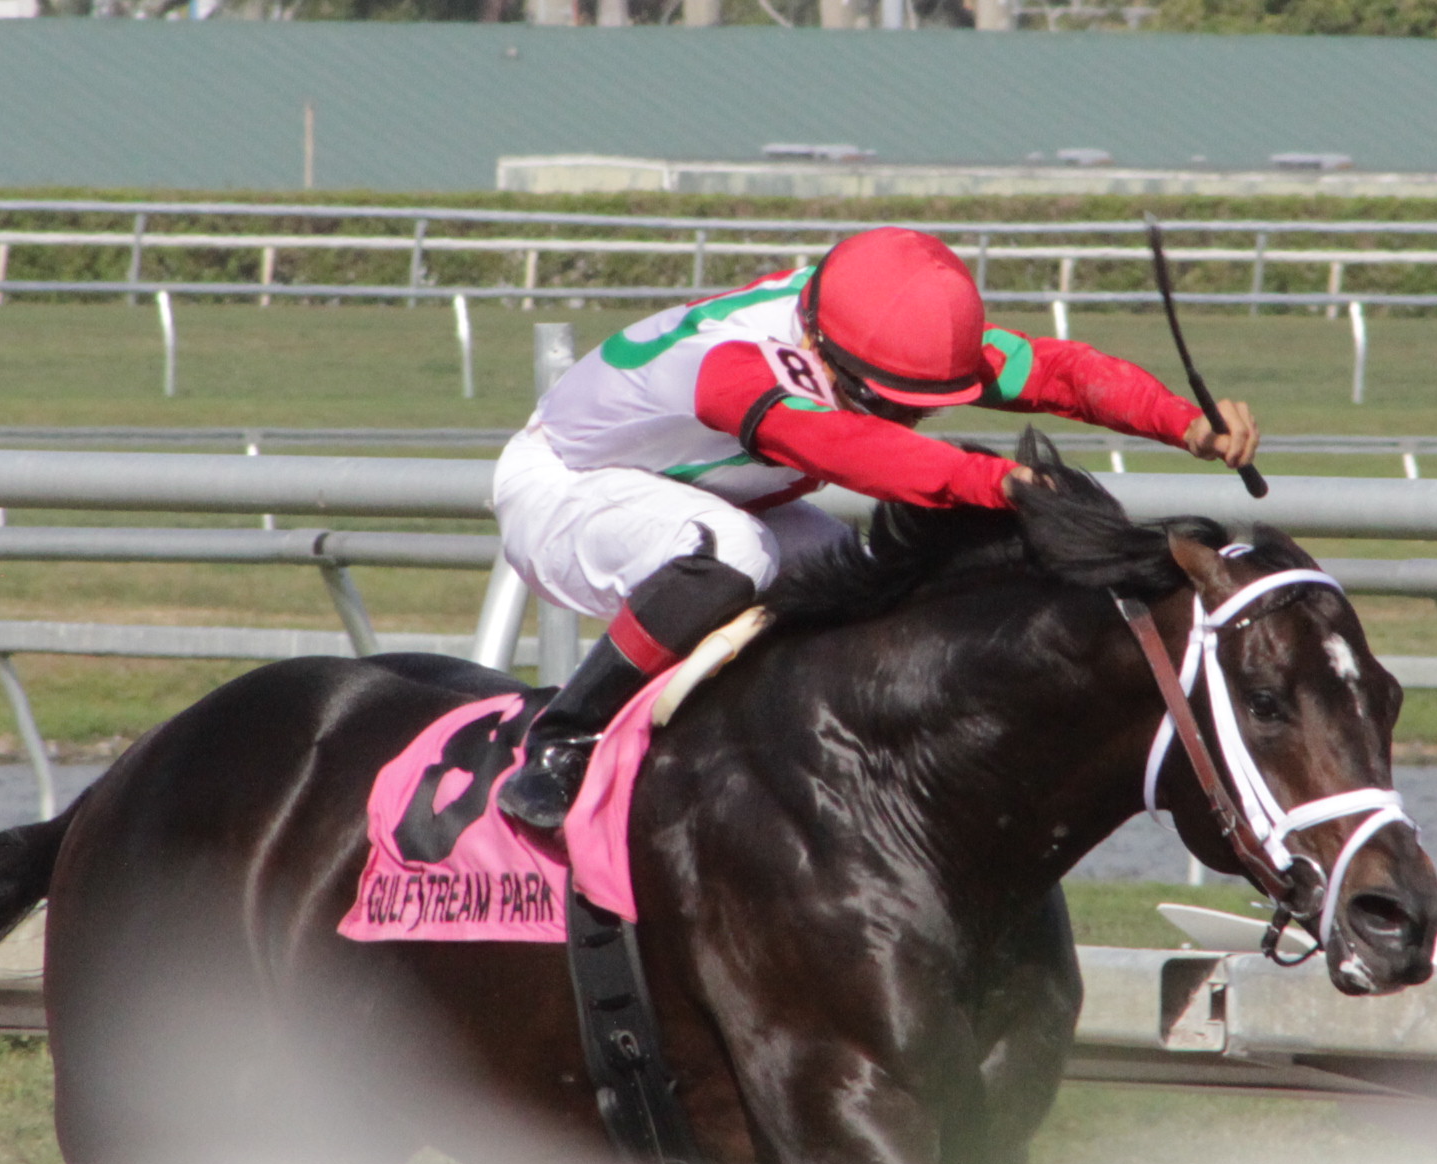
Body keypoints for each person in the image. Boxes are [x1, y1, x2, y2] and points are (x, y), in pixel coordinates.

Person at [489, 224, 1260, 831]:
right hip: (564, 486)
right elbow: (848, 449)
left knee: (855, 580)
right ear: (819, 348)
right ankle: (564, 739)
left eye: (917, 408)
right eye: (886, 403)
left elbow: (1057, 371)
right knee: (735, 553)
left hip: (699, 492)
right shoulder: (731, 362)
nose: (902, 418)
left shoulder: (873, 328)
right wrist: (998, 481)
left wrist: (1185, 423)